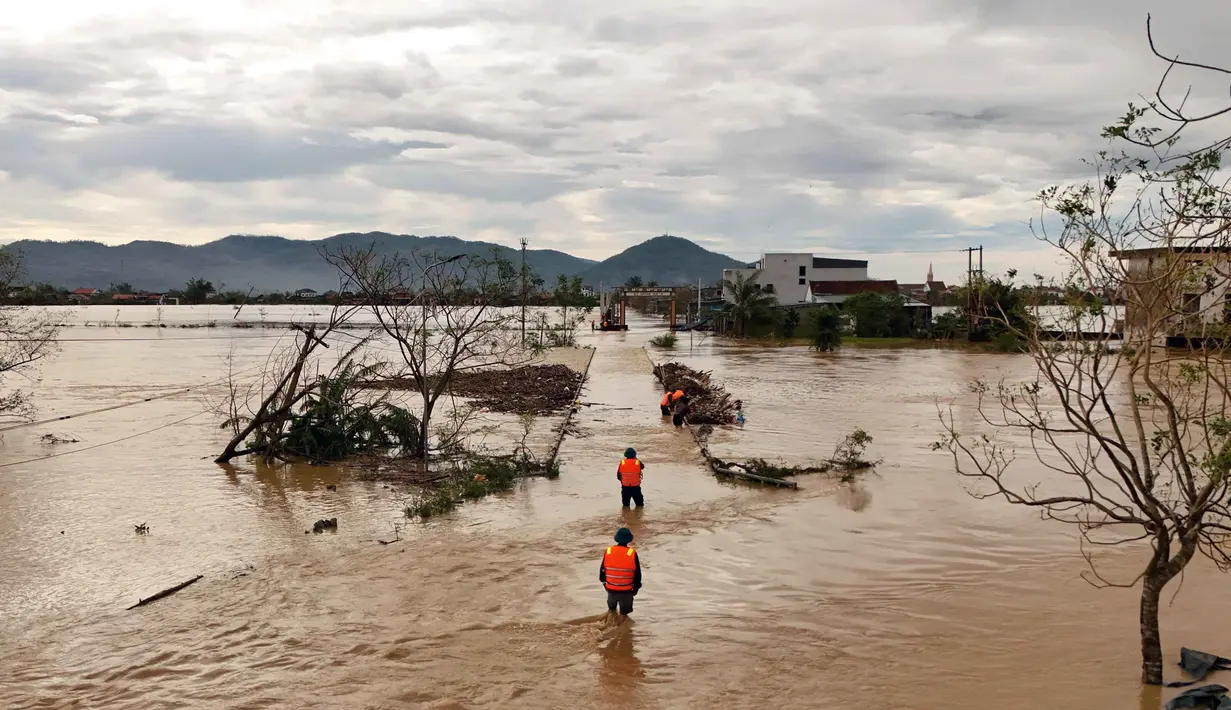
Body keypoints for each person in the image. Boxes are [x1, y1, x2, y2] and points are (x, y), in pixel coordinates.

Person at [600, 527, 641, 623]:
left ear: (616, 538)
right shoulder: (632, 553)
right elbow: (637, 574)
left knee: (611, 611)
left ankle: (609, 622)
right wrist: (636, 589)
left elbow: (602, 572)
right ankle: (621, 629)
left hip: (611, 589)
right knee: (624, 616)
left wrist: (605, 584)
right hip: (626, 590)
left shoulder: (608, 551)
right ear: (629, 539)